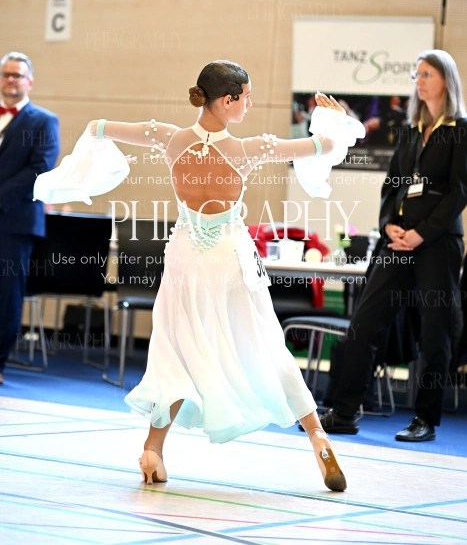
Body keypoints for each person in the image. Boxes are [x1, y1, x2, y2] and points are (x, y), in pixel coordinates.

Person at [73, 60, 363, 492]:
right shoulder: (249, 149)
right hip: (230, 258)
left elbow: (100, 128)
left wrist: (87, 151)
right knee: (266, 344)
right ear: (227, 101)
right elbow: (324, 146)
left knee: (175, 350)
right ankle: (318, 438)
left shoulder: (169, 138)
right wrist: (336, 118)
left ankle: (153, 450)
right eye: (246, 97)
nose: (250, 104)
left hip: (185, 258)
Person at [320, 49, 467, 442]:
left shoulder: (460, 129)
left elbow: (459, 191)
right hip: (397, 242)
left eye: (427, 74)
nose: (419, 81)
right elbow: (391, 186)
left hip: (437, 244)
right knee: (365, 321)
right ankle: (345, 411)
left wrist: (423, 233)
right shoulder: (410, 129)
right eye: (416, 75)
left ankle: (425, 419)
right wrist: (389, 226)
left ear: (446, 80)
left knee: (435, 332)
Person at [0, 51, 60, 384]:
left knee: (6, 296)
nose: (11, 80)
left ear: (30, 82)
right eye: (6, 74)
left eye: (18, 75)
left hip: (15, 221)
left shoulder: (44, 121)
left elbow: (40, 169)